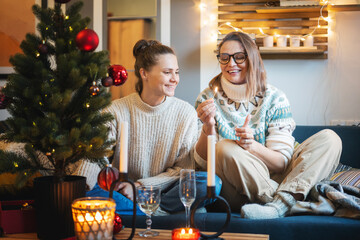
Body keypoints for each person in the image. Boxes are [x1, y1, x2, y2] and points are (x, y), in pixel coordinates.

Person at [194, 32, 342, 219]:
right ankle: (291, 199)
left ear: (253, 58)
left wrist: (251, 146)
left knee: (330, 138)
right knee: (224, 148)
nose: (231, 64)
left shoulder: (275, 98)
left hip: (279, 175)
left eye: (239, 57)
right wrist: (207, 129)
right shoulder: (206, 98)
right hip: (237, 186)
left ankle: (279, 205)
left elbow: (281, 163)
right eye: (224, 58)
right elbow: (201, 164)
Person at [75, 39, 221, 215]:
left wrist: (140, 187)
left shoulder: (185, 113)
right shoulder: (116, 110)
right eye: (167, 72)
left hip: (163, 191)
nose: (175, 79)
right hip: (124, 193)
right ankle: (151, 213)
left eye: (177, 72)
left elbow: (183, 171)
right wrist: (82, 187)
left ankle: (146, 212)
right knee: (89, 191)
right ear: (144, 74)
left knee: (209, 182)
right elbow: (95, 157)